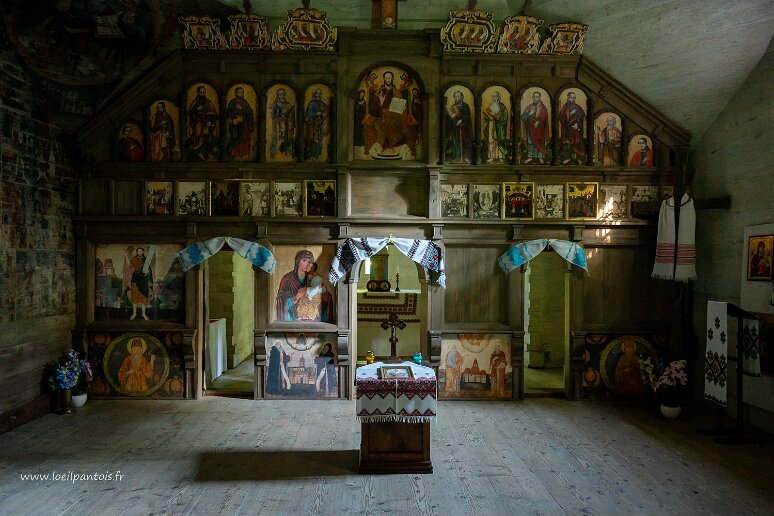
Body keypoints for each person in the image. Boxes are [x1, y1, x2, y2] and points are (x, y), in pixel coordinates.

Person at [368, 71, 406, 156]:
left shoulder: (396, 91)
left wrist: (403, 107)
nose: (388, 80)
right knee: (381, 127)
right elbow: (373, 107)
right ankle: (383, 146)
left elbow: (401, 102)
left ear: (392, 78)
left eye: (389, 78)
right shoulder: (379, 91)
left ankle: (392, 145)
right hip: (382, 116)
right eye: (386, 78)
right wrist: (380, 103)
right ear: (384, 79)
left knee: (394, 126)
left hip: (393, 116)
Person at [276, 250, 316, 321]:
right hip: (292, 318)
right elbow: (281, 300)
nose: (307, 264)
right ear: (298, 261)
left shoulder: (313, 279)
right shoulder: (287, 279)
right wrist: (296, 297)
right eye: (304, 260)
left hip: (309, 317)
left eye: (310, 262)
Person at [187, 85, 219, 161]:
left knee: (206, 135)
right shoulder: (195, 102)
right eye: (201, 92)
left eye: (204, 92)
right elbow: (190, 113)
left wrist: (210, 121)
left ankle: (206, 152)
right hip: (197, 122)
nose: (202, 94)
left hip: (207, 122)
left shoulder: (208, 102)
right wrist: (197, 109)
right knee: (199, 133)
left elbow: (214, 114)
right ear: (198, 93)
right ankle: (199, 152)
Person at [225, 86, 254, 160]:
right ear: (235, 93)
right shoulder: (232, 102)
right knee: (234, 137)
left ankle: (243, 154)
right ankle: (234, 153)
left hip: (243, 124)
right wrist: (234, 118)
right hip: (234, 124)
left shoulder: (245, 103)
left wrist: (243, 110)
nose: (240, 94)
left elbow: (249, 113)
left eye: (242, 93)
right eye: (239, 93)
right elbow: (228, 112)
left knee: (243, 139)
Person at [521, 91, 550, 163]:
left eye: (537, 97)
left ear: (540, 97)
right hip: (530, 128)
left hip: (539, 128)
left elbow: (544, 117)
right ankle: (531, 156)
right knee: (530, 142)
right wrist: (529, 113)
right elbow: (523, 118)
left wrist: (539, 122)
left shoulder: (543, 107)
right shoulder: (529, 107)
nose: (535, 98)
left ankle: (540, 157)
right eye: (534, 97)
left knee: (540, 142)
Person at [123, 246, 152, 320]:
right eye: (139, 251)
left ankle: (144, 314)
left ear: (143, 252)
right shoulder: (135, 259)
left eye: (141, 251)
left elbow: (149, 269)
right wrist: (126, 256)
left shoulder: (146, 260)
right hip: (135, 279)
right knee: (135, 296)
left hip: (143, 280)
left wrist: (148, 272)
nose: (140, 252)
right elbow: (129, 264)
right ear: (137, 252)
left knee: (143, 297)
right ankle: (134, 313)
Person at [558, 91, 586, 164]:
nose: (572, 99)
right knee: (568, 143)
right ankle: (567, 157)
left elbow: (581, 117)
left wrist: (578, 125)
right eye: (571, 97)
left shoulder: (577, 107)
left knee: (577, 143)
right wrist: (571, 113)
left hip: (576, 130)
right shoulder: (564, 107)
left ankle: (577, 158)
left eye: (573, 98)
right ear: (567, 98)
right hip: (567, 130)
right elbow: (561, 118)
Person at [270, 87, 296, 160]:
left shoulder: (288, 104)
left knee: (289, 137)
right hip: (278, 125)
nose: (281, 95)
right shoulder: (275, 104)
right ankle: (273, 153)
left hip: (288, 125)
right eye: (280, 94)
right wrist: (280, 117)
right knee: (276, 137)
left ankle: (289, 152)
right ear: (277, 95)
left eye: (283, 94)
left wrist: (288, 118)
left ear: (285, 95)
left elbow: (292, 115)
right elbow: (273, 116)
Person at [446, 91, 472, 163]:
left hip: (464, 127)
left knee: (465, 141)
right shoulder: (453, 106)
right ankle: (456, 157)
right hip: (455, 128)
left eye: (459, 96)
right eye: (456, 97)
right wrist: (452, 117)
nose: (457, 98)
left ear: (462, 97)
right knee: (456, 142)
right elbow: (451, 117)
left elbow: (467, 115)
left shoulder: (465, 105)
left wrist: (462, 120)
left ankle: (465, 156)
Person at [482, 91, 509, 163]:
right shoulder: (490, 105)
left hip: (499, 127)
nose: (494, 98)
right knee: (491, 141)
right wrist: (487, 117)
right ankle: (491, 156)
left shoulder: (502, 107)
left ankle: (500, 157)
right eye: (493, 96)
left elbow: (505, 118)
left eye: (496, 96)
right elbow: (486, 117)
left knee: (499, 141)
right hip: (491, 126)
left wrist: (495, 115)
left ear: (498, 97)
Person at [304, 88, 328, 161]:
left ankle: (318, 155)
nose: (318, 95)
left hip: (320, 124)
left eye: (319, 93)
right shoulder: (312, 103)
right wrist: (316, 113)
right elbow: (308, 114)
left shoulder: (323, 103)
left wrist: (324, 114)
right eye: (317, 93)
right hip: (312, 125)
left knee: (319, 139)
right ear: (314, 94)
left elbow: (326, 112)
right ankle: (311, 156)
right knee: (312, 139)